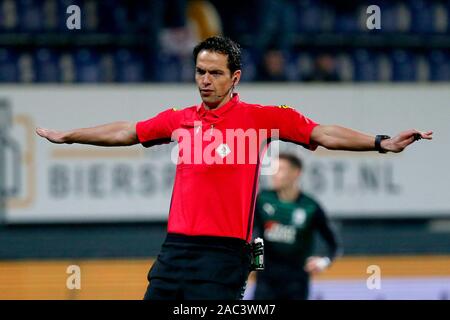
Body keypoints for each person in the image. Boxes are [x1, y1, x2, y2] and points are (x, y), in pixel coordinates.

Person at [35, 36, 433, 300]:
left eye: (214, 73)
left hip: (224, 256)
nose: (205, 80)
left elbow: (323, 133)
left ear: (234, 77)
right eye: (199, 72)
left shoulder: (262, 118)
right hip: (174, 251)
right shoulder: (179, 118)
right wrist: (70, 136)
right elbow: (126, 131)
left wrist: (381, 142)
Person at [253, 153, 341, 300]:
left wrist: (324, 261)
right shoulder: (262, 199)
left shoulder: (310, 206)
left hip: (296, 283)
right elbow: (251, 234)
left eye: (280, 169)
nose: (274, 174)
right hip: (266, 282)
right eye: (272, 169)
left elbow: (334, 244)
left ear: (296, 173)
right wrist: (255, 261)